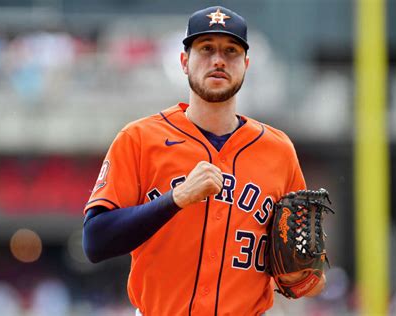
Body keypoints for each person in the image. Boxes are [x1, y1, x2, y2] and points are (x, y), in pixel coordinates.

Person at [83, 6, 325, 315]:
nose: (219, 60)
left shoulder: (279, 150)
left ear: (246, 65)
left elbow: (303, 276)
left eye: (232, 51)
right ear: (184, 62)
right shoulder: (139, 139)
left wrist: (302, 279)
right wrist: (177, 198)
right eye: (206, 49)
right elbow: (95, 242)